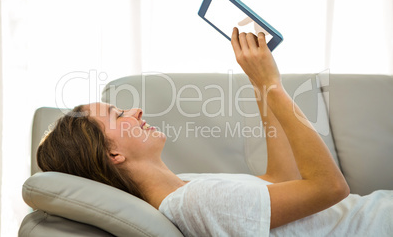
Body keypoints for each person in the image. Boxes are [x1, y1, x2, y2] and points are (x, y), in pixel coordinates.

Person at [37, 28, 392, 236]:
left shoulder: (186, 187)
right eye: (119, 114)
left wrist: (261, 85)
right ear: (113, 155)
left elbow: (279, 180)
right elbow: (331, 187)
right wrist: (273, 84)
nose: (136, 110)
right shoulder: (194, 202)